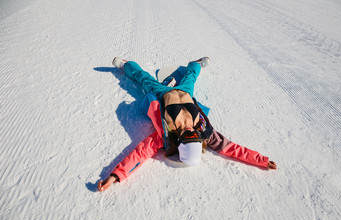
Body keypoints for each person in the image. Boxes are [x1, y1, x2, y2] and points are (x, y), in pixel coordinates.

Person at [98, 57, 277, 192]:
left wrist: (115, 176)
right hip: (186, 93)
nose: (191, 130)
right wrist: (261, 160)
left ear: (180, 141)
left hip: (163, 93)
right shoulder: (205, 132)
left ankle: (126, 64)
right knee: (191, 74)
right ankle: (197, 62)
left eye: (187, 136)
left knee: (143, 78)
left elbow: (140, 153)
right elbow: (233, 149)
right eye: (195, 136)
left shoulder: (166, 135)